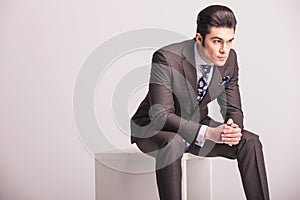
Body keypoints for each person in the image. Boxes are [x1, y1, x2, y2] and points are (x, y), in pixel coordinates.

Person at [130, 5, 270, 200]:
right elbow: (160, 115)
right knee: (173, 143)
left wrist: (233, 128)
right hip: (154, 128)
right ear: (199, 38)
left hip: (197, 125)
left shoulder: (230, 59)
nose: (224, 50)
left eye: (230, 41)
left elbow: (232, 108)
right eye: (217, 41)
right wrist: (208, 133)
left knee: (250, 141)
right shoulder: (166, 58)